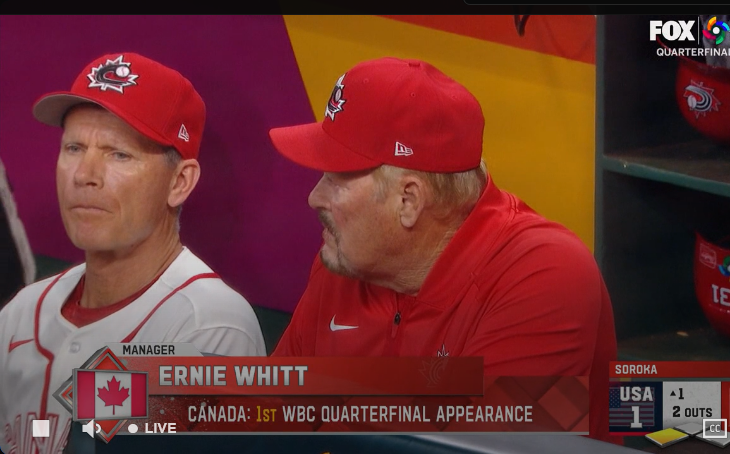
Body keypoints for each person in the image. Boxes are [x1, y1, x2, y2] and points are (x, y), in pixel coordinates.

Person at [268, 57, 620, 444]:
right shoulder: (346, 260)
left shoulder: (546, 277)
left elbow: (487, 450)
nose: (314, 197)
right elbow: (267, 421)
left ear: (408, 200)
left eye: (335, 180)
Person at [0, 52, 266, 453]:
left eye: (118, 154)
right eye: (74, 147)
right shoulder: (23, 311)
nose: (84, 175)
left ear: (179, 182)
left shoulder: (210, 328)